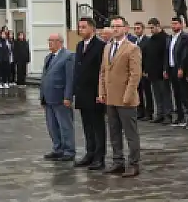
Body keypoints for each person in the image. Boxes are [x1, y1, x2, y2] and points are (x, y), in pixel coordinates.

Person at [98, 16, 142, 178]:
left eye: (118, 26)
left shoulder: (132, 48)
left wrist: (128, 95)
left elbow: (135, 74)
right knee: (114, 132)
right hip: (110, 97)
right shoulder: (107, 47)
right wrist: (101, 92)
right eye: (113, 26)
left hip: (126, 98)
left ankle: (134, 163)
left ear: (125, 28)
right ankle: (118, 161)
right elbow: (103, 72)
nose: (115, 29)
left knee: (130, 133)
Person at [72, 17, 106, 171]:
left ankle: (100, 156)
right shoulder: (79, 46)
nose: (81, 30)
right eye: (79, 27)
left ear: (92, 28)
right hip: (82, 92)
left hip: (95, 92)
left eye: (84, 27)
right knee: (86, 126)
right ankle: (90, 153)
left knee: (97, 126)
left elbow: (102, 71)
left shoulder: (100, 46)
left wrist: (101, 92)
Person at [39, 33, 75, 162]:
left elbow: (70, 79)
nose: (49, 43)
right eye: (49, 40)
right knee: (52, 126)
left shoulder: (68, 56)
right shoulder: (48, 57)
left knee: (65, 125)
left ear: (60, 42)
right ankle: (57, 148)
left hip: (60, 97)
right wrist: (42, 96)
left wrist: (68, 96)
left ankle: (69, 150)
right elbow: (44, 77)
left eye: (52, 41)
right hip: (48, 98)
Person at [167, 17, 188, 126]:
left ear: (181, 25)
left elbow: (185, 54)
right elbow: (168, 53)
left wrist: (181, 67)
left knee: (184, 94)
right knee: (176, 94)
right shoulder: (170, 37)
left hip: (180, 69)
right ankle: (180, 116)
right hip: (172, 68)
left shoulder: (185, 37)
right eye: (172, 24)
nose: (174, 26)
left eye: (176, 23)